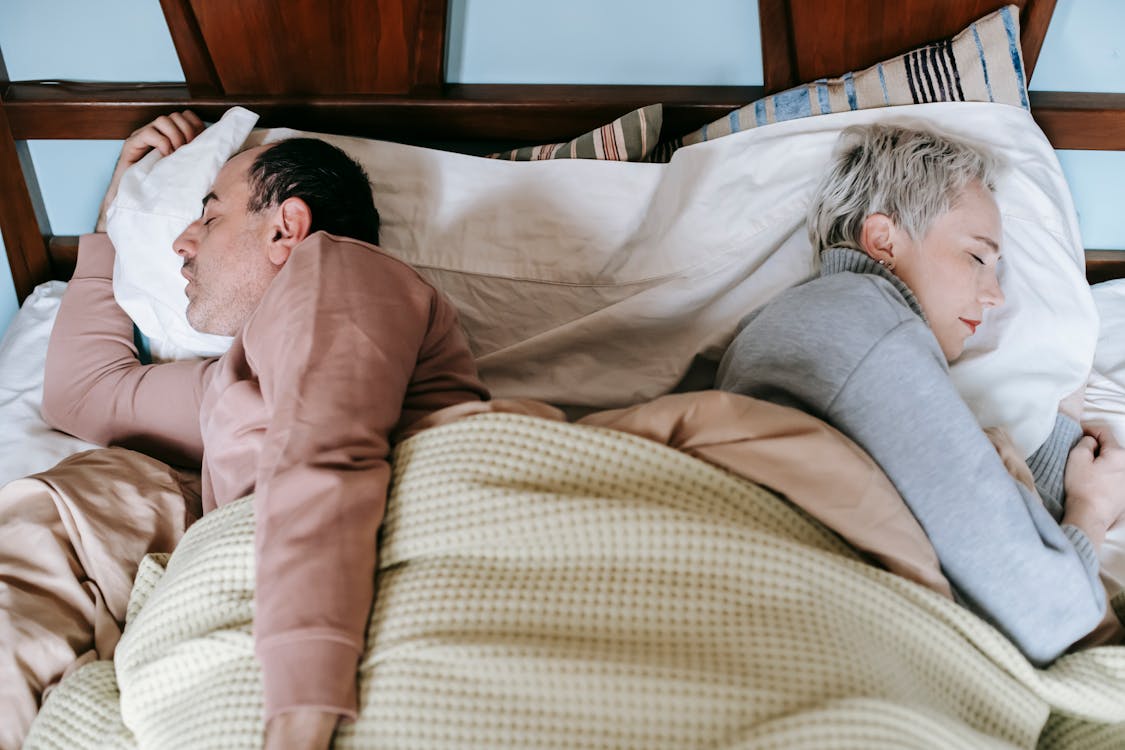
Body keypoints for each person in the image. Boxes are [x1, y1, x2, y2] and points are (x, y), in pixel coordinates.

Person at [5, 111, 488, 749]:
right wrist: (111, 223)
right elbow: (85, 397)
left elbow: (327, 454)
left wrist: (300, 705)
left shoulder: (339, 272)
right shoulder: (234, 378)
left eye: (209, 217)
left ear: (287, 227)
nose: (182, 242)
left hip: (364, 593)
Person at [716, 123, 1125, 664]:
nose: (997, 294)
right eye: (978, 257)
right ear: (883, 240)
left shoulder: (799, 327)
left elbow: (958, 525)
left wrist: (1063, 431)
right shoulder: (864, 326)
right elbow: (1049, 615)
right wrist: (1092, 510)